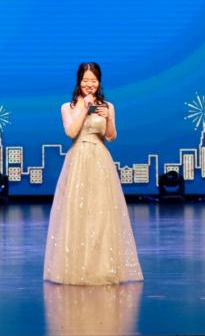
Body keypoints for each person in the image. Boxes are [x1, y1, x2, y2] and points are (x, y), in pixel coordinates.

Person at [43, 62, 142, 285]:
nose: (90, 84)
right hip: (78, 159)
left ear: (99, 82)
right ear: (79, 81)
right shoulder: (67, 107)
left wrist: (108, 117)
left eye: (94, 80)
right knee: (77, 212)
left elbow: (111, 137)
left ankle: (103, 267)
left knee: (102, 213)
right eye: (86, 80)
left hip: (100, 159)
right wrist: (83, 107)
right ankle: (76, 267)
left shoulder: (108, 106)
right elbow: (71, 132)